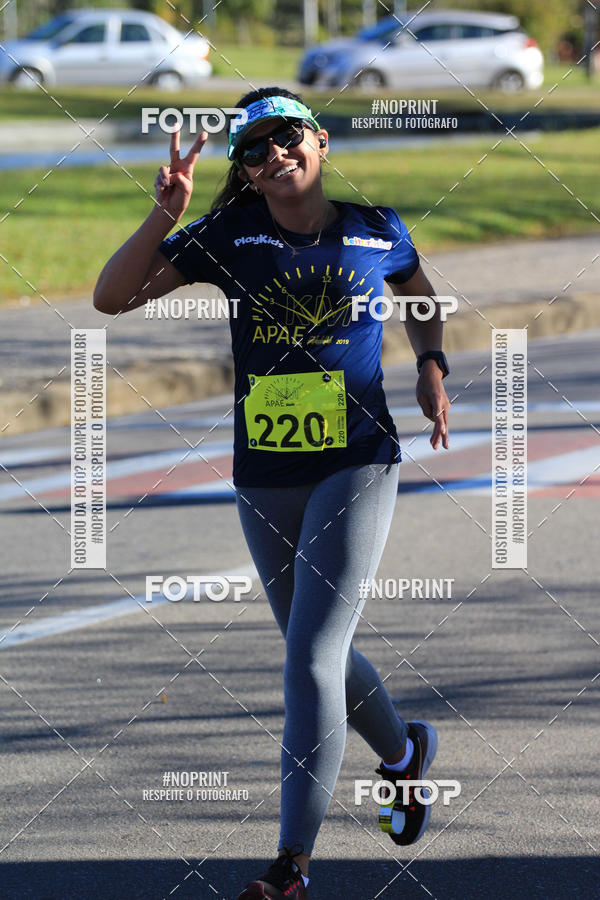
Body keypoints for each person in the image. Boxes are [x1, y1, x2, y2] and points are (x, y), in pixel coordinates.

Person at [93, 87, 451, 900]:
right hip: (264, 472)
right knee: (314, 650)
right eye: (252, 151)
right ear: (245, 174)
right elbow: (111, 297)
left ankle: (290, 865)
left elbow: (423, 301)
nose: (272, 156)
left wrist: (432, 366)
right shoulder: (229, 235)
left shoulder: (376, 227)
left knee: (310, 658)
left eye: (285, 137)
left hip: (356, 461)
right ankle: (403, 754)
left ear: (319, 142)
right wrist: (164, 214)